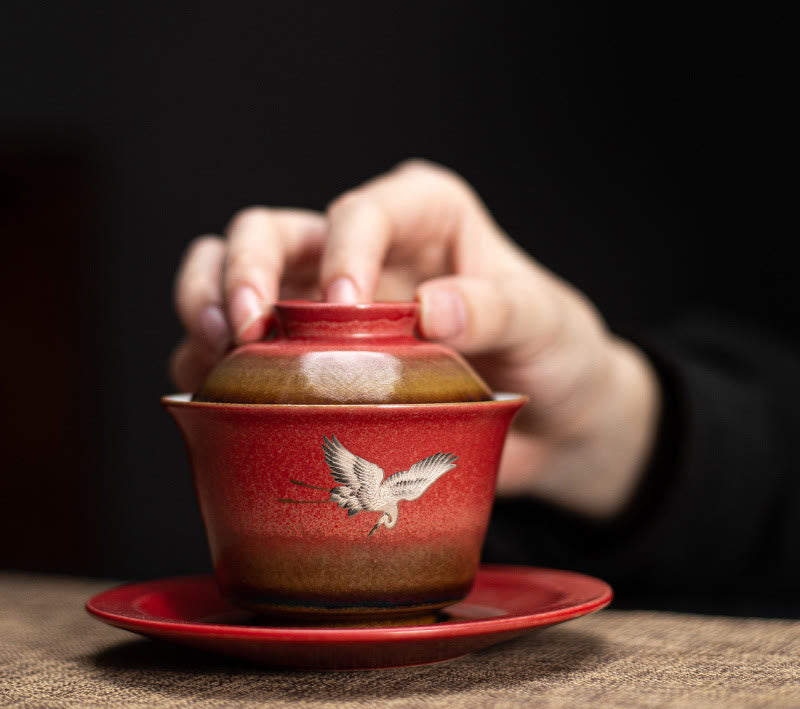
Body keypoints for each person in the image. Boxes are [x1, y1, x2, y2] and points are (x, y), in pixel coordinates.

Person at [170, 160, 800, 617]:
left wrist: (605, 415)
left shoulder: (391, 495)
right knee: (341, 488)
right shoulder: (383, 491)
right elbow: (379, 475)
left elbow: (414, 477)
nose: (388, 516)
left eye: (386, 514)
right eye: (386, 512)